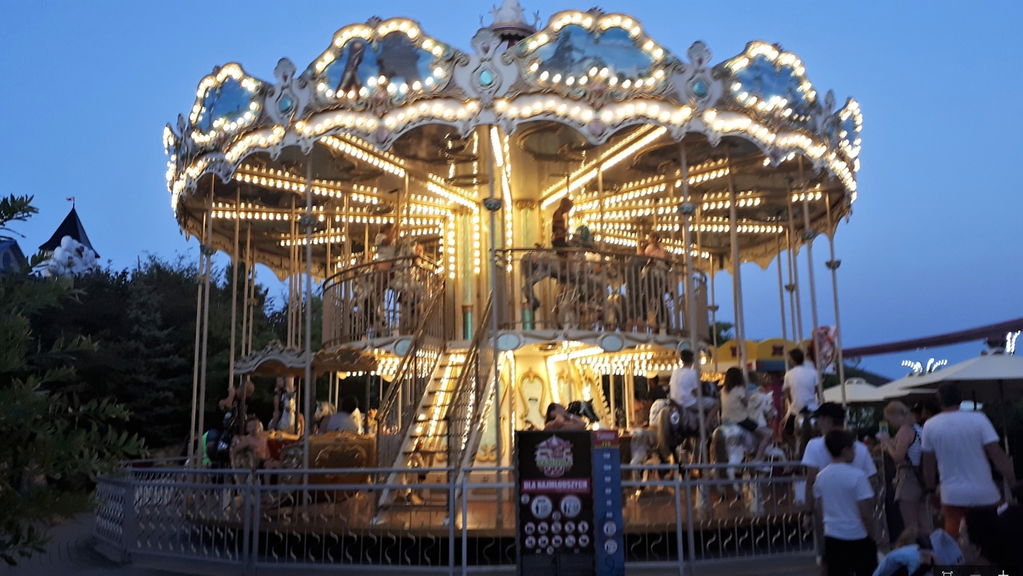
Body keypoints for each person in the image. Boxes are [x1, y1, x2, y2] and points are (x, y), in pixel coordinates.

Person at [921, 382, 1017, 538]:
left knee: (955, 541)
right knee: (993, 538)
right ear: (960, 399)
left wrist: (930, 489)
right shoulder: (979, 419)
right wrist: (1012, 481)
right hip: (985, 493)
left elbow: (928, 463)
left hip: (952, 495)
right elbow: (997, 454)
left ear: (939, 402)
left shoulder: (929, 426)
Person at [802, 402, 878, 541]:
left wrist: (808, 512)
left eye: (819, 419)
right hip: (858, 517)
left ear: (826, 420)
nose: (817, 423)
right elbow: (872, 481)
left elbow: (810, 482)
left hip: (829, 520)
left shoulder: (814, 446)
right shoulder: (860, 448)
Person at [813, 429, 879, 576]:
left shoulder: (821, 477)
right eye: (853, 448)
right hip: (858, 535)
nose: (855, 452)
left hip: (833, 535)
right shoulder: (858, 476)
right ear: (845, 450)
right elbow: (866, 513)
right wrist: (872, 535)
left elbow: (819, 511)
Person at [880, 401, 932, 536]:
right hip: (922, 478)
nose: (890, 423)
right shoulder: (918, 429)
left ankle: (914, 548)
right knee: (924, 523)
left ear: (896, 416)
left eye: (890, 420)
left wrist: (887, 444)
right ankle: (928, 547)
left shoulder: (905, 430)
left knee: (911, 525)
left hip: (908, 479)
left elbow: (898, 457)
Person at [720, 367, 772, 462]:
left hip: (725, 420)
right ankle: (757, 459)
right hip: (739, 420)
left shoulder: (723, 390)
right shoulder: (739, 389)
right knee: (766, 435)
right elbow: (746, 404)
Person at [668, 349, 719, 432]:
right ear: (692, 360)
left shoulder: (675, 372)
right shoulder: (693, 373)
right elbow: (697, 392)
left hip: (676, 401)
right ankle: (706, 426)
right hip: (687, 403)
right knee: (716, 403)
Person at [783, 348, 819, 453]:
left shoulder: (788, 374)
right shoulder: (813, 372)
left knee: (785, 433)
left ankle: (796, 450)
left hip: (796, 409)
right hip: (812, 407)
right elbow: (818, 391)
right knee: (820, 433)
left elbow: (786, 393)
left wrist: (791, 405)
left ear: (793, 360)